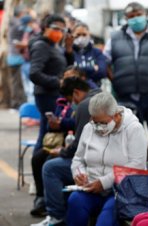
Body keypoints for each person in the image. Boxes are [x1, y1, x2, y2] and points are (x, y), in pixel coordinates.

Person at [66, 92, 148, 226]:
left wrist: (104, 182)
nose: (98, 127)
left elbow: (136, 166)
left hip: (122, 192)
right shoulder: (89, 128)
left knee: (105, 222)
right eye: (95, 122)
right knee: (75, 201)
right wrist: (78, 174)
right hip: (92, 187)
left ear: (116, 115)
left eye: (103, 123)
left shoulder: (133, 129)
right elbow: (78, 159)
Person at [31, 76, 101, 226]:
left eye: (71, 100)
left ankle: (56, 216)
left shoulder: (85, 105)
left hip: (92, 163)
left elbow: (79, 146)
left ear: (76, 92)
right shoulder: (101, 97)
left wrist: (62, 152)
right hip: (100, 160)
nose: (72, 105)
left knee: (50, 167)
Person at [103, 2, 148, 134]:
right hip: (126, 96)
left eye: (138, 15)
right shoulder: (114, 38)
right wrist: (115, 80)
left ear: (145, 15)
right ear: (126, 18)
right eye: (131, 16)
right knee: (129, 134)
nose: (136, 18)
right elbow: (105, 62)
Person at [29, 14, 71, 154]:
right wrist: (57, 82)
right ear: (46, 28)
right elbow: (34, 73)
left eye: (62, 30)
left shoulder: (55, 46)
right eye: (55, 28)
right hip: (47, 96)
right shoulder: (41, 45)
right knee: (47, 135)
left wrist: (69, 51)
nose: (59, 32)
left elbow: (64, 68)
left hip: (56, 94)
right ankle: (39, 167)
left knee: (52, 135)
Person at [30, 93, 75, 217]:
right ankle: (40, 197)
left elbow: (76, 123)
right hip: (57, 141)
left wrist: (61, 123)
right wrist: (52, 123)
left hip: (70, 143)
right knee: (37, 158)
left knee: (50, 165)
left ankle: (54, 212)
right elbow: (49, 126)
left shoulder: (80, 103)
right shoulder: (61, 101)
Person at [4, 5, 27, 109]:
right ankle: (16, 104)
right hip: (17, 57)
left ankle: (16, 103)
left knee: (15, 82)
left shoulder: (11, 23)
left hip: (11, 57)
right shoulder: (18, 24)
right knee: (17, 83)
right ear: (20, 14)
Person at [71, 23, 107, 88]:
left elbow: (102, 72)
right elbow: (68, 74)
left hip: (94, 90)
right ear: (73, 35)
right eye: (78, 35)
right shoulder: (69, 53)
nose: (81, 37)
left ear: (89, 35)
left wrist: (77, 69)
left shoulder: (97, 52)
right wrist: (93, 68)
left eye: (84, 35)